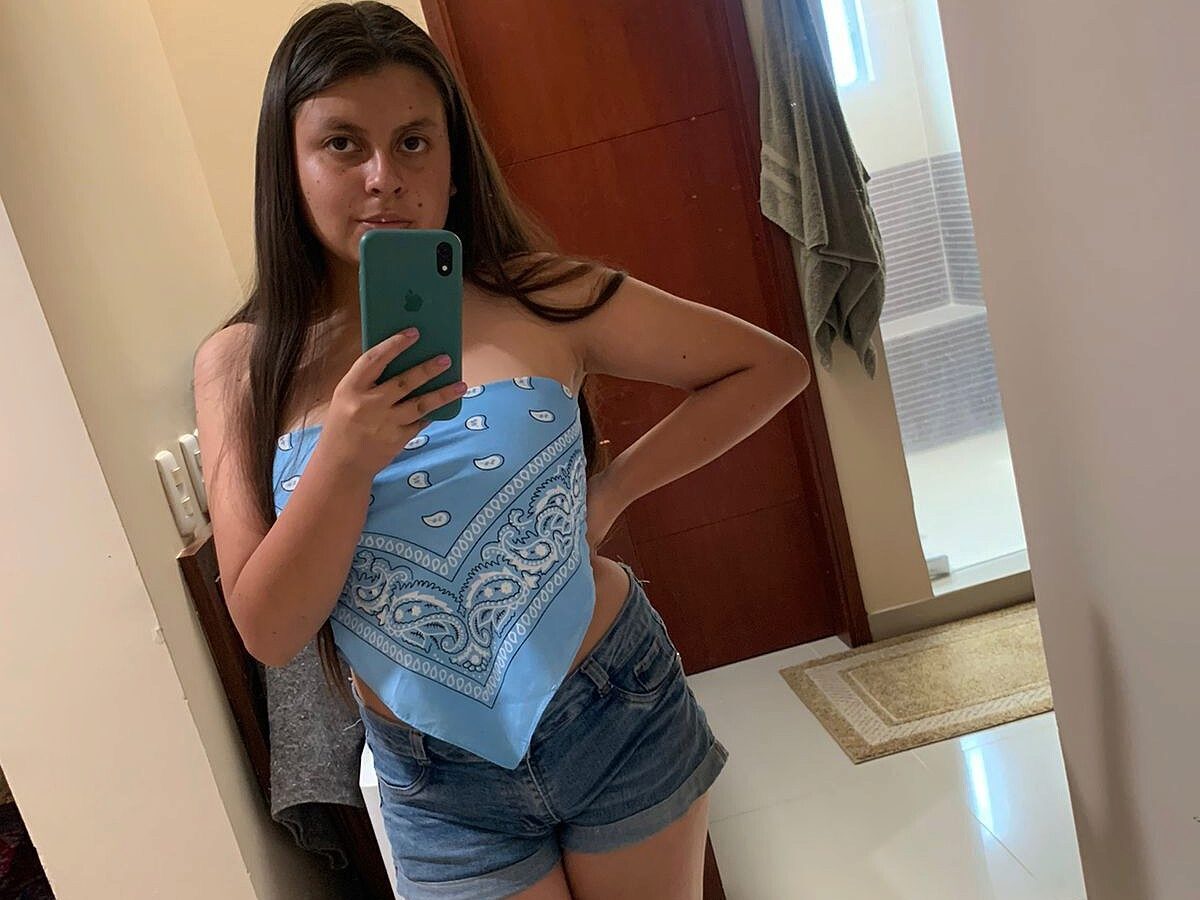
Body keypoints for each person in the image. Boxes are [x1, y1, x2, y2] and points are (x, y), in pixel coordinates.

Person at [193, 3, 811, 898]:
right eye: (342, 144)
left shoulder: (543, 297)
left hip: (615, 704)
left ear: (454, 161)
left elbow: (769, 368)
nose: (383, 178)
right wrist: (346, 456)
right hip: (435, 779)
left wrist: (614, 490)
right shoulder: (243, 365)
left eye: (414, 142)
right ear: (288, 166)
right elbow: (269, 630)